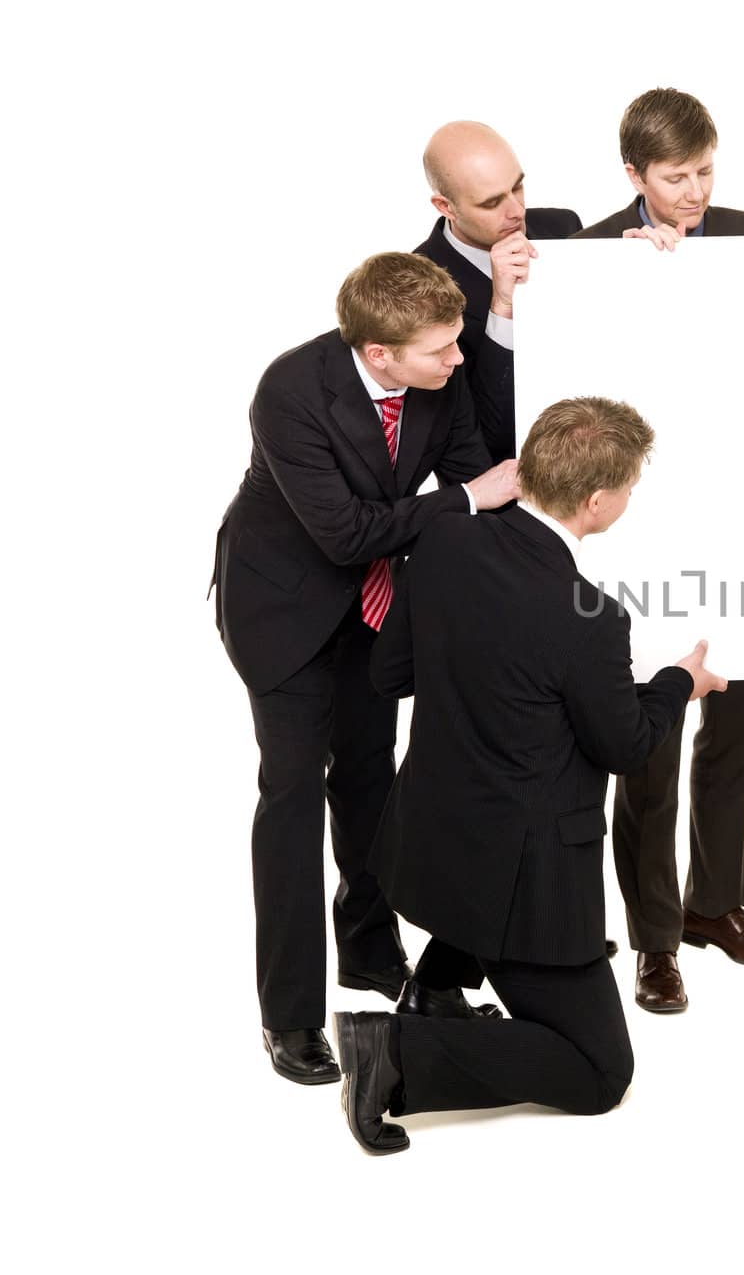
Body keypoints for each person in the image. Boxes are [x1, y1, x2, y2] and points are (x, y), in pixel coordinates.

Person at [335, 397, 725, 1154]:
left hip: (430, 842)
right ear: (596, 500)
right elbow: (627, 744)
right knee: (599, 1072)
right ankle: (394, 1053)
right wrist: (681, 682)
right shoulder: (589, 617)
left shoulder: (444, 537)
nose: (630, 497)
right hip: (521, 884)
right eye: (631, 486)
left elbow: (392, 674)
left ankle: (435, 989)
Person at [212, 252, 521, 1084]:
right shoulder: (291, 391)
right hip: (283, 609)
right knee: (290, 795)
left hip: (373, 608)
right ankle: (289, 1016)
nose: (459, 362)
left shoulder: (437, 371)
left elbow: (479, 475)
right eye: (441, 351)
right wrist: (464, 500)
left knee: (367, 781)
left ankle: (372, 955)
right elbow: (352, 532)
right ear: (380, 353)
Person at [569, 87, 744, 1012]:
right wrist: (627, 281)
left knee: (738, 742)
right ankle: (652, 941)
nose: (694, 192)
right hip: (642, 543)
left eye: (706, 171)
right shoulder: (592, 254)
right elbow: (574, 388)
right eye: (675, 177)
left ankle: (716, 908)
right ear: (634, 176)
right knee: (648, 752)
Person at [413, 120, 583, 462]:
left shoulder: (563, 226)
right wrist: (501, 307)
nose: (517, 211)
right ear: (445, 207)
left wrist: (630, 259)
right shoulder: (417, 290)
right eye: (492, 203)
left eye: (517, 187)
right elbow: (483, 440)